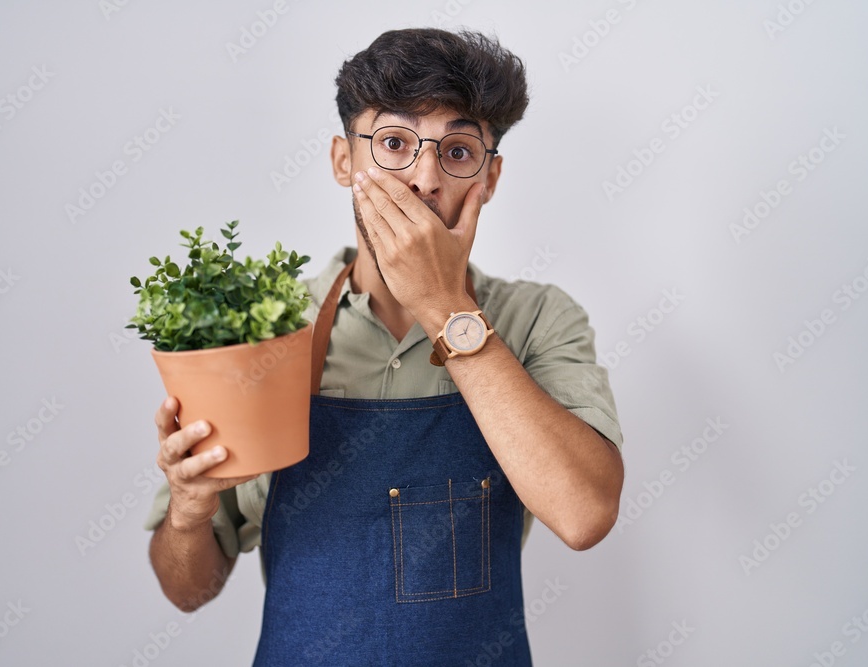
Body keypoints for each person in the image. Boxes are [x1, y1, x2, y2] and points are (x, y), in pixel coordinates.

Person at [145, 27, 624, 665]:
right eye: (394, 143)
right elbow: (187, 591)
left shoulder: (538, 319)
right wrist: (188, 511)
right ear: (344, 160)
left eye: (457, 151)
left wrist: (444, 306)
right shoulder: (268, 325)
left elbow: (584, 514)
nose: (424, 179)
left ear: (491, 176)